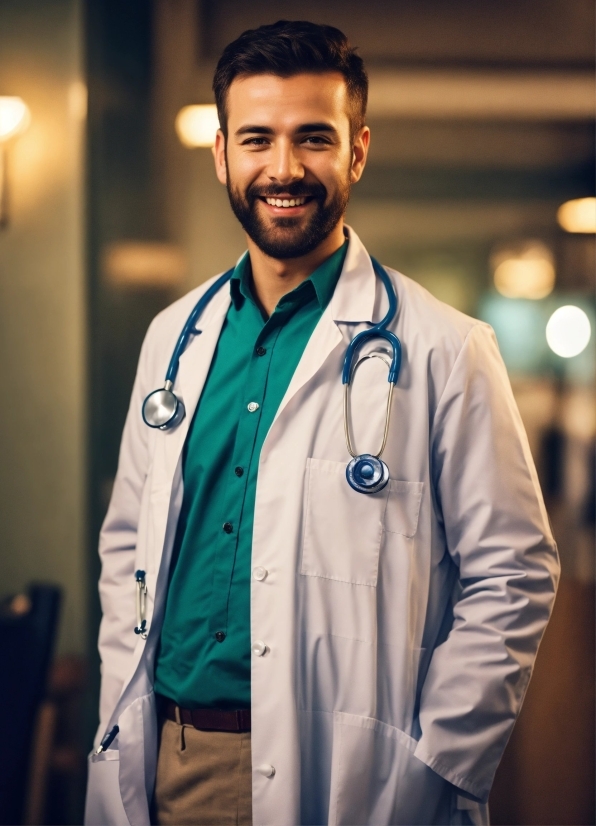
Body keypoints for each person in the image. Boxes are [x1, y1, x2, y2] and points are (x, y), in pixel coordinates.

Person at [85, 20, 559, 826]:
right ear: (222, 154)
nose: (283, 168)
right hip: (171, 759)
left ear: (358, 150)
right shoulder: (173, 338)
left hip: (355, 779)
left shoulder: (445, 348)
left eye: (313, 138)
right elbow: (127, 546)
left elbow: (513, 575)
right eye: (257, 138)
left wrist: (436, 764)